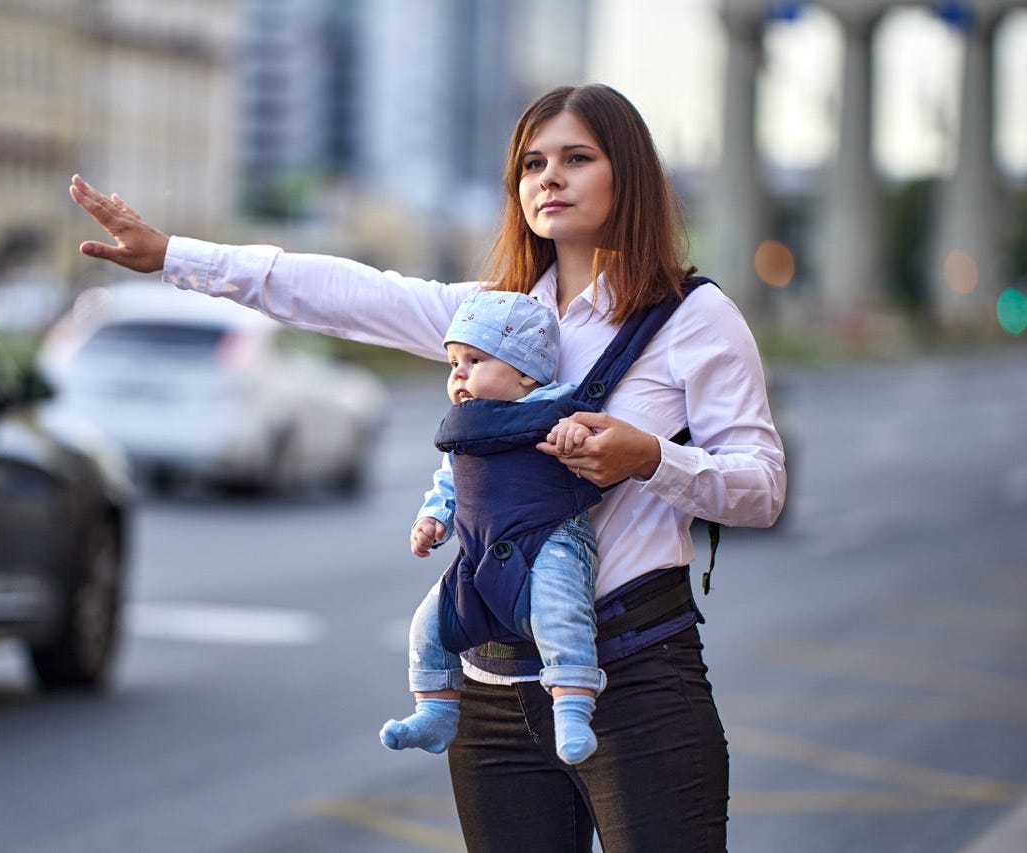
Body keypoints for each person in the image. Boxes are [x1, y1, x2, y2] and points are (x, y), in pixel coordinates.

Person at [70, 83, 785, 853]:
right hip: (492, 692)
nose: (550, 178)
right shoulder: (492, 315)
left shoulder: (693, 317)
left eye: (578, 158)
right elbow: (342, 294)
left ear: (630, 177)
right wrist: (174, 256)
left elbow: (762, 485)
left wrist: (650, 458)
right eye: (533, 163)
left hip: (638, 678)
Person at [385, 289, 604, 766]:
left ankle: (571, 707)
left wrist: (575, 433)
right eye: (452, 363)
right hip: (479, 555)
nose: (458, 373)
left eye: (474, 360)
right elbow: (449, 480)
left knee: (560, 617)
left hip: (551, 542)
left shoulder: (555, 405)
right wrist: (432, 518)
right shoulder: (467, 426)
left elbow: (592, 434)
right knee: (430, 625)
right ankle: (436, 710)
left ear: (526, 371)